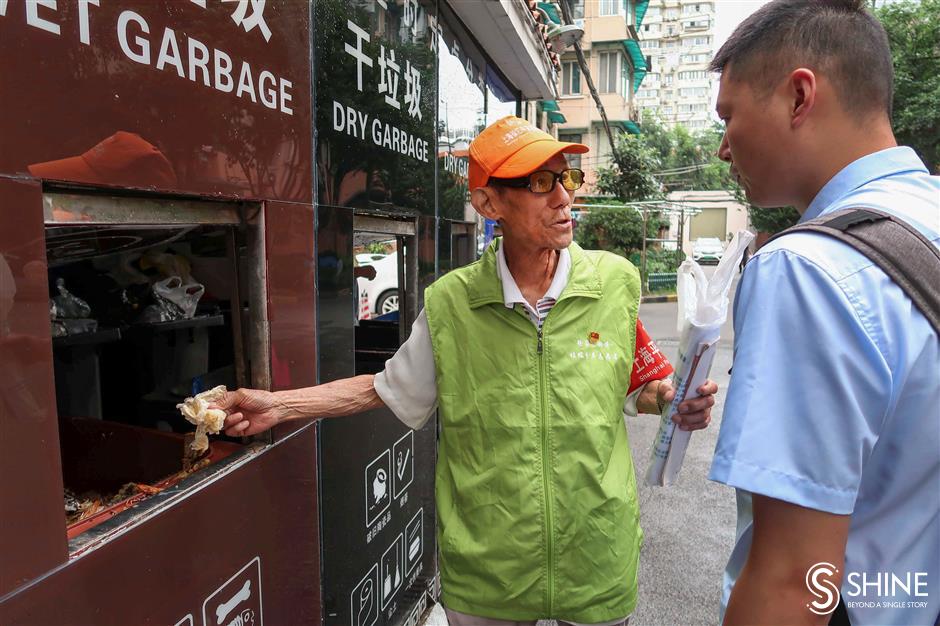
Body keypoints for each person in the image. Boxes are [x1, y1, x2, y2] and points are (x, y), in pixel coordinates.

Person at [216, 116, 718, 625]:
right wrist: (278, 404)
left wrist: (673, 398)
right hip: (487, 573)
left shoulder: (615, 283)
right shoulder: (452, 305)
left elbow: (643, 384)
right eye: (539, 183)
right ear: (488, 204)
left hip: (595, 556)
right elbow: (382, 388)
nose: (563, 197)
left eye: (565, 177)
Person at [706, 2, 940, 625]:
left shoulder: (808, 270)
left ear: (799, 96)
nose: (725, 147)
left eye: (729, 115)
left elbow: (791, 582)